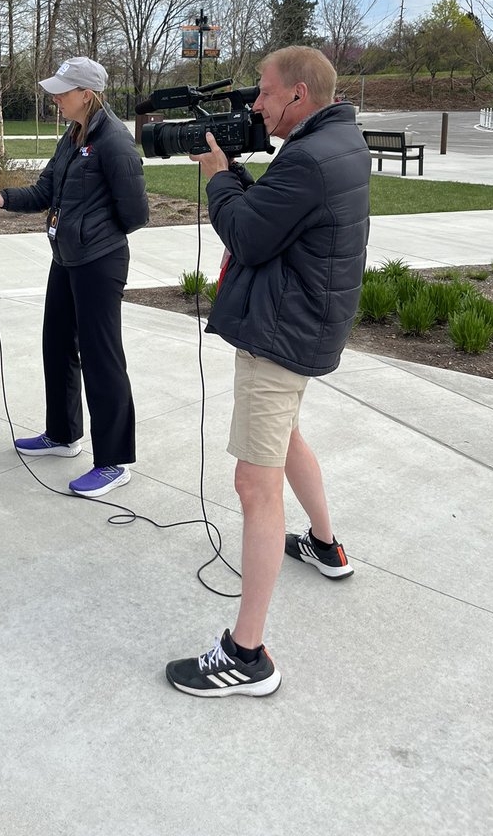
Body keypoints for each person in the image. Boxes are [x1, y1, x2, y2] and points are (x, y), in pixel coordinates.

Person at [165, 46, 370, 698]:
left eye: (263, 92)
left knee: (255, 483)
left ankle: (246, 654)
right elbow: (283, 221)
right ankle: (325, 545)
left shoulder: (308, 157)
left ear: (298, 97)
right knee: (286, 439)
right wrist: (243, 182)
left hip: (280, 334)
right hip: (306, 320)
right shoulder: (340, 140)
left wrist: (220, 176)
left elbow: (249, 237)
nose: (255, 104)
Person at [0, 57, 149, 498]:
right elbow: (44, 192)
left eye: (63, 92)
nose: (55, 98)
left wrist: (91, 231)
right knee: (57, 345)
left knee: (102, 358)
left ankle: (114, 461)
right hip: (65, 258)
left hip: (99, 263)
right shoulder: (72, 137)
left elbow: (136, 214)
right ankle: (63, 435)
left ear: (86, 94)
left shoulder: (115, 142)